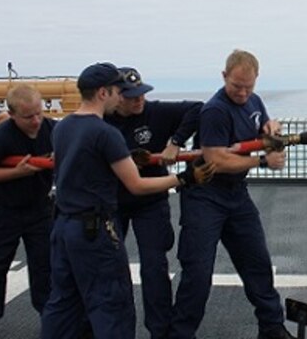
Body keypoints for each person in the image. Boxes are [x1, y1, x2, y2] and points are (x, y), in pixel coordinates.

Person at [40, 62, 214, 339]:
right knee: (111, 303)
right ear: (103, 93)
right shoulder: (105, 132)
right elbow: (136, 184)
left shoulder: (62, 129)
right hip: (96, 226)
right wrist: (185, 178)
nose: (123, 97)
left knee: (62, 301)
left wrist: (175, 141)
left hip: (64, 224)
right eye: (118, 92)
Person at [169, 50, 294, 339]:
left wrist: (271, 128)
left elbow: (264, 126)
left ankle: (272, 328)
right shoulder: (215, 110)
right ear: (224, 76)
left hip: (237, 195)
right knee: (197, 274)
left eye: (249, 86)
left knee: (258, 263)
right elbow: (216, 160)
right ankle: (180, 334)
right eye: (237, 85)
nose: (242, 92)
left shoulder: (254, 101)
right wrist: (262, 161)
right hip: (205, 195)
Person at [104, 67, 203, 339]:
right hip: (114, 202)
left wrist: (175, 141)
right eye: (132, 96)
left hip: (151, 201)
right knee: (111, 267)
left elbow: (197, 108)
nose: (139, 101)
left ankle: (159, 332)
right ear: (115, 96)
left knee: (154, 267)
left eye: (142, 94)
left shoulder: (156, 112)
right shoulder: (101, 121)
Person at [0, 85, 55, 339]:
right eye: (27, 117)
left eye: (38, 113)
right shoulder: (0, 137)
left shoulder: (53, 130)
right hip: (2, 210)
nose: (35, 121)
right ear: (11, 114)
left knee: (46, 266)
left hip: (40, 207)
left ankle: (52, 318)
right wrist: (17, 172)